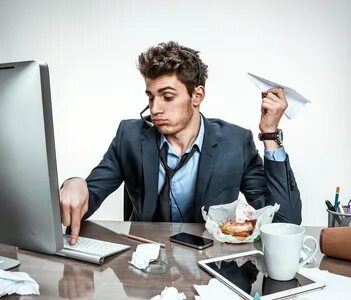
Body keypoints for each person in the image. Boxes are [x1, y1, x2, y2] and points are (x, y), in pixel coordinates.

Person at [60, 41, 302, 244]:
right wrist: (74, 184)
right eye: (150, 97)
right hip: (143, 268)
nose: (155, 109)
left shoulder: (235, 143)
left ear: (197, 96)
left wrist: (270, 134)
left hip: (210, 270)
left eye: (167, 97)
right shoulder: (130, 137)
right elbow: (81, 207)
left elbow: (285, 223)